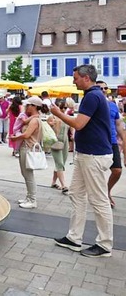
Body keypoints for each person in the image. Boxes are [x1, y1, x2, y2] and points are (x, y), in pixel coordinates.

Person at [51, 64, 113, 258]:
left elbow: (78, 124)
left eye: (76, 78)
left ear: (86, 78)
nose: (73, 81)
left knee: (99, 200)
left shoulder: (92, 96)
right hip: (87, 153)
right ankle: (74, 238)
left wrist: (58, 113)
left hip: (93, 155)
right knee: (76, 194)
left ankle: (104, 245)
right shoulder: (94, 96)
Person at [9, 96, 43, 209]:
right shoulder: (34, 118)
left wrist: (15, 138)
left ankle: (32, 200)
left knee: (28, 175)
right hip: (26, 147)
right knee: (26, 174)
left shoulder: (34, 120)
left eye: (28, 105)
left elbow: (27, 135)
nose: (26, 107)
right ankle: (29, 197)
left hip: (28, 147)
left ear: (34, 106)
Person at [97, 81, 125, 209]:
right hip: (97, 142)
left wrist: (124, 144)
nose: (103, 90)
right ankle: (101, 196)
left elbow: (119, 126)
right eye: (100, 87)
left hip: (112, 142)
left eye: (105, 88)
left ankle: (107, 191)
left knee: (117, 170)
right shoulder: (92, 104)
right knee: (98, 172)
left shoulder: (113, 106)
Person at [49, 99, 69, 194]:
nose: (64, 110)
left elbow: (71, 128)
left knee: (61, 163)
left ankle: (53, 182)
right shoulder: (52, 117)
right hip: (55, 142)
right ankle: (64, 185)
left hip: (65, 142)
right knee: (59, 163)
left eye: (65, 107)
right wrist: (55, 123)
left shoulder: (65, 116)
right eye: (62, 108)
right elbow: (52, 132)